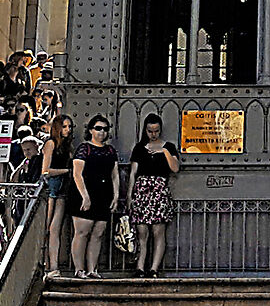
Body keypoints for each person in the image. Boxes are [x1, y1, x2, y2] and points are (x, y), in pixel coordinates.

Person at [124, 111, 181, 276]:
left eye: (156, 130)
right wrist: (130, 195)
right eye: (150, 131)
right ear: (145, 130)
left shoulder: (168, 147)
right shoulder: (139, 148)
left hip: (159, 190)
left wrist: (164, 152)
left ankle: (154, 268)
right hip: (142, 190)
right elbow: (133, 173)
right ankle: (140, 267)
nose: (153, 134)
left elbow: (175, 168)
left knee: (158, 231)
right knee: (142, 231)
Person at [70, 115, 119, 279]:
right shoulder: (84, 148)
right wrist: (85, 196)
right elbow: (77, 174)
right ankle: (79, 269)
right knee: (82, 232)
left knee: (98, 233)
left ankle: (93, 269)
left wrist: (116, 195)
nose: (102, 132)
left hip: (103, 194)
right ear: (91, 130)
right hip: (85, 192)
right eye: (98, 128)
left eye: (105, 129)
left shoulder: (110, 151)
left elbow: (115, 175)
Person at [41, 114, 76, 281]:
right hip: (52, 187)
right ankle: (45, 264)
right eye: (64, 126)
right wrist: (66, 171)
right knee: (46, 228)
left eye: (69, 126)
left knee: (55, 229)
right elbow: (45, 171)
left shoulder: (67, 147)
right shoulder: (50, 144)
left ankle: (53, 266)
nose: (67, 130)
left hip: (62, 188)